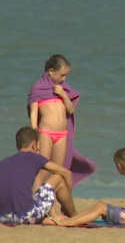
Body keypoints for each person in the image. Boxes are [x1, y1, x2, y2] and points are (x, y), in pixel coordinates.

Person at [27, 54, 96, 193]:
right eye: (62, 75)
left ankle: (54, 208)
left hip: (62, 135)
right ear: (51, 71)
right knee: (41, 171)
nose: (64, 79)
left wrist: (64, 95)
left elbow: (70, 110)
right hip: (45, 133)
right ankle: (34, 205)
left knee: (58, 173)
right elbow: (34, 114)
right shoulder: (37, 89)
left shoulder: (64, 89)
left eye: (66, 76)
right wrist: (35, 138)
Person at [0, 126, 79, 225]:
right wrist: (67, 197)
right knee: (57, 177)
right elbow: (66, 173)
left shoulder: (1, 164)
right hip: (25, 216)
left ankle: (49, 217)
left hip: (3, 217)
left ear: (18, 145)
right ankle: (72, 215)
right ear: (34, 145)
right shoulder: (35, 158)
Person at [47, 147, 125, 227]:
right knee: (100, 206)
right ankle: (73, 219)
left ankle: (68, 222)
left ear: (119, 166)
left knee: (101, 208)